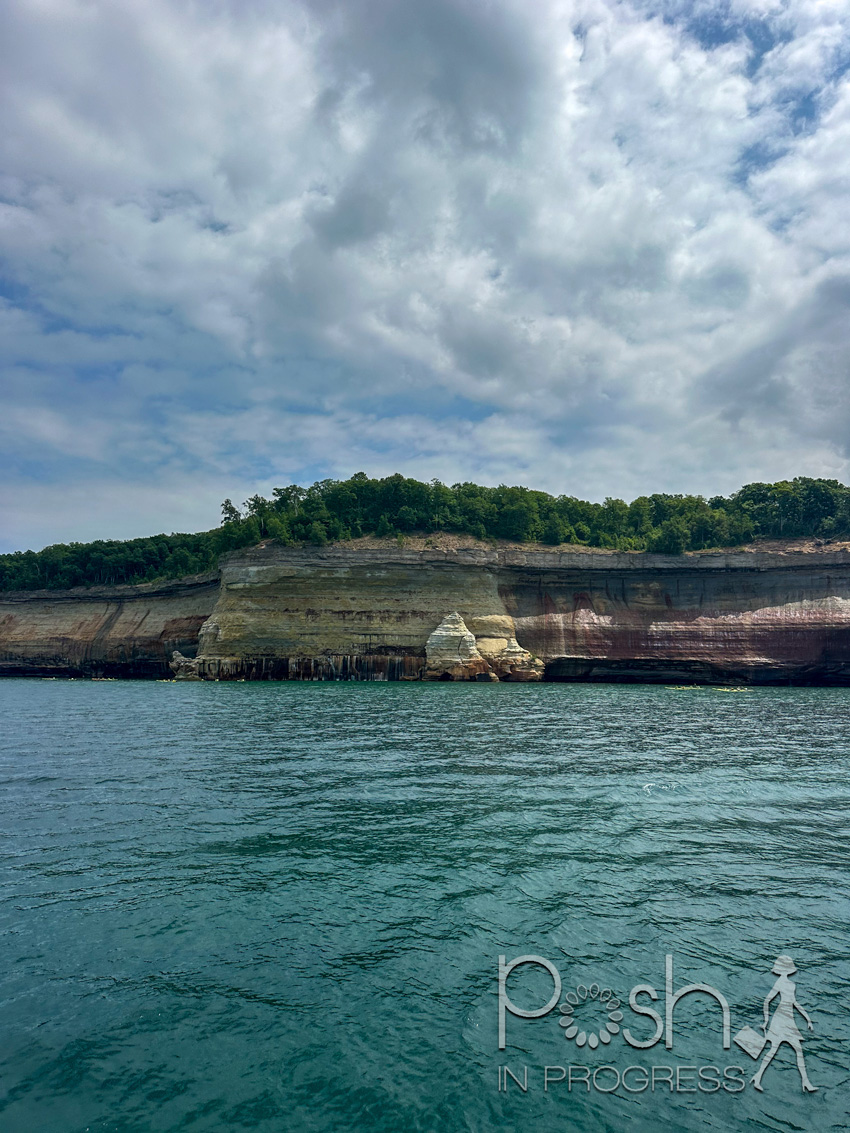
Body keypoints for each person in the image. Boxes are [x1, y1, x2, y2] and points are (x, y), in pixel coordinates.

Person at [751, 955, 817, 1093]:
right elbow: (768, 1001)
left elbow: (794, 1003)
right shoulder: (781, 984)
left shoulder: (790, 985)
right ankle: (805, 1082)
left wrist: (808, 1019)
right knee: (792, 1050)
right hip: (782, 1018)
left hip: (787, 1017)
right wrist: (766, 1021)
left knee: (781, 1050)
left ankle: (758, 1077)